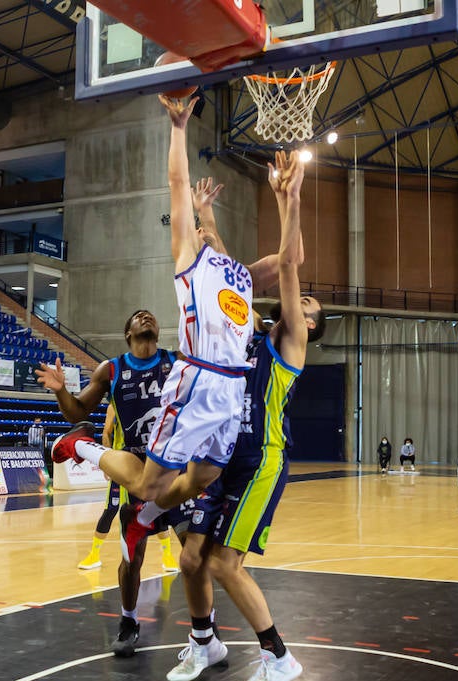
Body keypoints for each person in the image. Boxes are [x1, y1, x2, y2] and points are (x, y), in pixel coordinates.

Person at [50, 94, 286, 560]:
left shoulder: (239, 278)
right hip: (197, 379)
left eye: (205, 231)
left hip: (231, 389)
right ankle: (80, 449)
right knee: (145, 480)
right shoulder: (191, 265)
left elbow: (290, 260)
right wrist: (179, 128)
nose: (200, 232)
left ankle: (147, 518)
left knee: (203, 478)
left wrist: (286, 200)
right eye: (197, 231)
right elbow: (178, 186)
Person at [167, 149, 319, 681]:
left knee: (227, 563)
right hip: (225, 454)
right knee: (192, 558)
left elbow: (290, 263)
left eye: (309, 306)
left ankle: (278, 657)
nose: (301, 303)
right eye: (300, 301)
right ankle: (205, 641)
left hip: (261, 459)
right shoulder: (248, 334)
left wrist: (289, 199)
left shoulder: (290, 346)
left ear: (309, 325)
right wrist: (206, 218)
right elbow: (227, 275)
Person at [37, 309, 181, 655]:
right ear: (127, 332)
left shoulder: (175, 362)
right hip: (135, 468)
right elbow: (76, 412)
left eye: (151, 316)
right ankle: (128, 621)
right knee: (132, 555)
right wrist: (61, 390)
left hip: (175, 468)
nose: (147, 317)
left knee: (196, 552)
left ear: (158, 331)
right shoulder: (112, 369)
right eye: (138, 316)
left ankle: (207, 629)